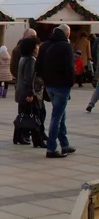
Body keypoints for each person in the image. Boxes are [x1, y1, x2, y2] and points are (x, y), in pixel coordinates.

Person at [36, 24, 76, 159]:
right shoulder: (66, 46)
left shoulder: (45, 45)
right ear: (67, 34)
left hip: (50, 85)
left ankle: (65, 144)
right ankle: (51, 148)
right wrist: (70, 83)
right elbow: (69, 67)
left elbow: (38, 66)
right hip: (62, 85)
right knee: (56, 117)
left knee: (60, 114)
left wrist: (46, 79)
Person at [13, 36, 45, 148]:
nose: (38, 47)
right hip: (27, 92)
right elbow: (29, 79)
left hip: (20, 91)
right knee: (35, 116)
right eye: (37, 45)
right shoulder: (31, 60)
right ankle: (38, 140)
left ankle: (17, 137)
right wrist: (30, 94)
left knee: (23, 115)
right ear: (32, 47)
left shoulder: (23, 58)